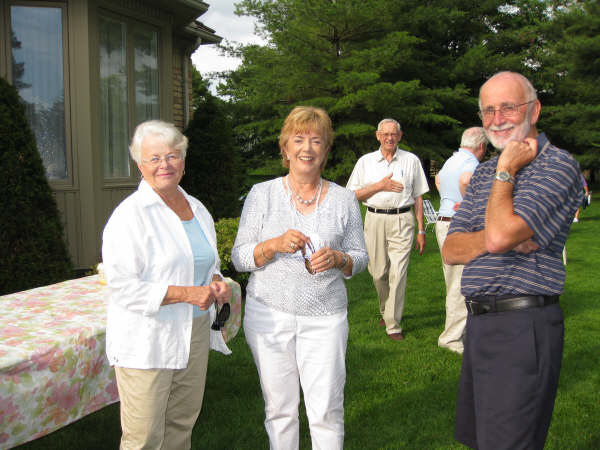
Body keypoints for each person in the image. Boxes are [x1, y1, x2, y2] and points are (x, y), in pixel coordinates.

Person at [442, 72, 583, 449]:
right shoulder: (483, 170)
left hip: (523, 329)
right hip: (481, 326)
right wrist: (494, 237)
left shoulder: (558, 166)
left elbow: (500, 234)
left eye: (508, 106)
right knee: (481, 440)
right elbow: (451, 249)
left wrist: (506, 170)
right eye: (488, 110)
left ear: (534, 110)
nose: (497, 118)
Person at [231, 106, 368, 450]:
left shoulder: (344, 199)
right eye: (299, 139)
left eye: (316, 141)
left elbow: (361, 257)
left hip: (325, 319)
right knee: (279, 410)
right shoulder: (262, 194)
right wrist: (274, 245)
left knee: (326, 409)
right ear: (285, 149)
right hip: (269, 317)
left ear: (325, 150)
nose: (307, 148)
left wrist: (339, 259)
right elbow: (239, 258)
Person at [102, 120, 232, 450]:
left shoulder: (197, 208)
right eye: (155, 158)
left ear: (183, 160)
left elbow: (205, 261)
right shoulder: (129, 216)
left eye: (172, 156)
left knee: (180, 424)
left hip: (194, 334)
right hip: (148, 340)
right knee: (144, 437)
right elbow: (122, 287)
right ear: (140, 163)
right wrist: (186, 293)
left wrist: (216, 282)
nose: (165, 165)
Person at [346, 118, 429, 340]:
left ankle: (393, 323)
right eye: (385, 134)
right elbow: (351, 196)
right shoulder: (366, 162)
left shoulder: (411, 161)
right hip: (374, 220)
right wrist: (379, 186)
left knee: (399, 272)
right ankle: (386, 309)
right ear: (378, 136)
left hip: (403, 220)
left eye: (394, 134)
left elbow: (418, 197)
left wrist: (421, 230)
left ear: (400, 137)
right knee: (378, 273)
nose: (389, 138)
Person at [434, 127, 488, 354]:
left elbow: (437, 180)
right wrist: (468, 204)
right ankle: (451, 338)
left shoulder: (451, 161)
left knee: (454, 281)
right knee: (461, 284)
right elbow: (472, 187)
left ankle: (464, 331)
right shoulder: (473, 165)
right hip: (460, 226)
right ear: (482, 146)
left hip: (443, 221)